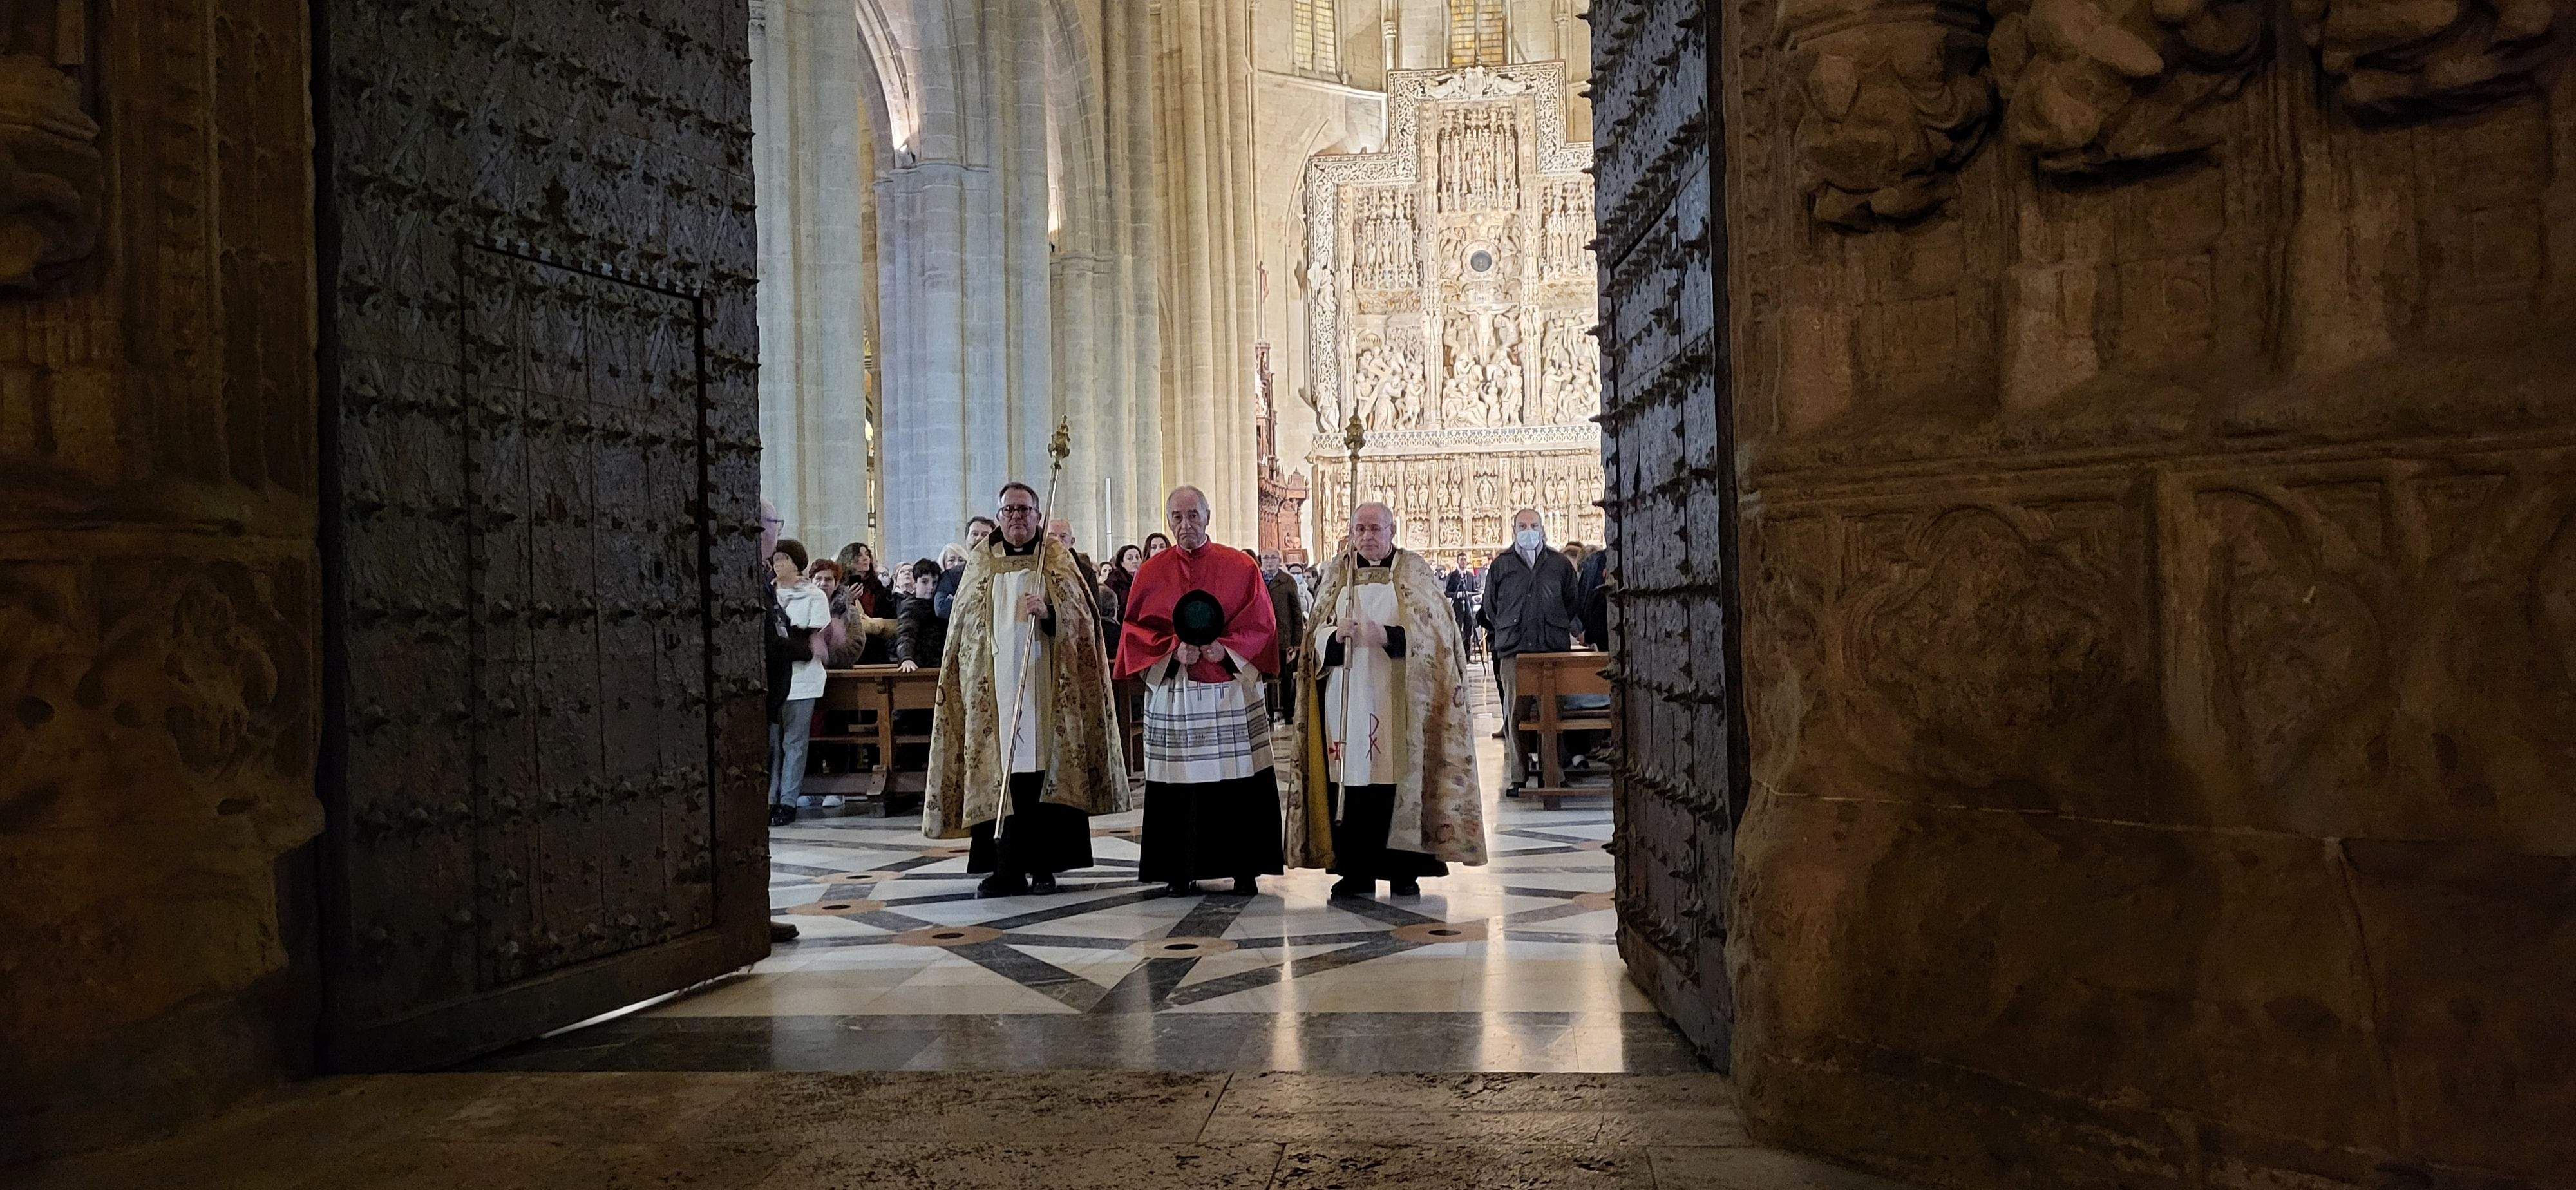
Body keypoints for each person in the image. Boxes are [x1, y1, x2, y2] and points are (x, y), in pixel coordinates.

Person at [923, 484, 1126, 898]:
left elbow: (1084, 624)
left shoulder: (1056, 559)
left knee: (1041, 776)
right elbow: (962, 630)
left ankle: (1046, 868)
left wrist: (1050, 613)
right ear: (998, 516)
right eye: (1009, 509)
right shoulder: (981, 562)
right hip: (993, 692)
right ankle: (1004, 870)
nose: (1017, 516)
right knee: (1002, 780)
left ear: (1038, 515)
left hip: (1047, 688)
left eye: (1025, 509)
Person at [1294, 503, 1486, 898]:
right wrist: (1333, 637)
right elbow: (1312, 638)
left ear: (1392, 531)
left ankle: (1404, 870)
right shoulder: (1336, 574)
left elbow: (1438, 638)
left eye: (1376, 528)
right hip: (1346, 697)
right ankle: (1355, 870)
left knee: (1397, 782)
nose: (1367, 536)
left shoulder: (1413, 572)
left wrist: (1389, 637)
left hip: (1399, 700)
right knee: (1352, 783)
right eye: (1360, 528)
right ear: (1349, 532)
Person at [1116, 486, 1284, 897]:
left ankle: (1244, 869)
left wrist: (1224, 649)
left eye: (1193, 515)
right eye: (1177, 517)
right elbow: (1134, 631)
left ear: (1208, 516)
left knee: (1237, 780)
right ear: (1168, 520)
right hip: (1178, 691)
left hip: (1229, 690)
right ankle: (1180, 868)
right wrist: (1173, 650)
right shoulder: (1152, 572)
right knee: (1180, 785)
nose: (1185, 525)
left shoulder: (1239, 566)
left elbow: (1263, 625)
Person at [1480, 508, 1582, 784]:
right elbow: (1490, 606)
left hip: (1551, 648)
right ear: (1514, 530)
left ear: (1542, 528)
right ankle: (1518, 775)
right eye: (1523, 526)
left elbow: (1572, 601)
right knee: (1516, 714)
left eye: (1533, 525)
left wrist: (1553, 621)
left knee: (1552, 714)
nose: (1529, 530)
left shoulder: (1559, 563)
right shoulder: (1502, 565)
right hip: (1515, 649)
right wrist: (1510, 624)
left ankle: (1553, 771)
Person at [767, 538, 831, 821]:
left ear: (797, 563)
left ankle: (788, 801)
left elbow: (813, 637)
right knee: (771, 743)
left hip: (802, 679)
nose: (778, 563)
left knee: (794, 742)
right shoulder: (767, 594)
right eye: (775, 558)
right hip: (772, 678)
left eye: (784, 559)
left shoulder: (813, 596)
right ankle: (769, 799)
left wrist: (792, 641)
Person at [1261, 551, 1305, 722]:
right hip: (1264, 639)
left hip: (1283, 637)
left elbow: (1296, 612)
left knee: (1286, 677)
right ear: (1261, 560)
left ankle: (1288, 712)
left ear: (1279, 560)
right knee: (1266, 678)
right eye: (1266, 558)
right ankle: (1268, 712)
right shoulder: (1257, 579)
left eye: (1273, 558)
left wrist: (1296, 641)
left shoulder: (1287, 581)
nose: (1270, 561)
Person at [934, 518, 995, 619]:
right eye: (974, 534)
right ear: (966, 539)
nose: (979, 538)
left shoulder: (1001, 571)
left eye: (985, 535)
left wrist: (959, 600)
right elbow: (941, 608)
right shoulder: (952, 575)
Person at [897, 558, 947, 671]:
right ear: (915, 583)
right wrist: (906, 658)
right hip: (920, 666)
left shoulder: (939, 605)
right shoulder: (911, 606)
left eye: (935, 583)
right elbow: (906, 634)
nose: (931, 587)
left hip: (939, 665)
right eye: (925, 582)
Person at [1445, 553, 1481, 662]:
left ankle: (1467, 655)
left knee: (1468, 630)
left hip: (1469, 607)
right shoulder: (1453, 576)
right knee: (1458, 630)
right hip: (1458, 607)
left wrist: (1475, 595)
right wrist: (1458, 594)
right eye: (1461, 560)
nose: (1463, 562)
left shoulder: (1470, 576)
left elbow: (1475, 590)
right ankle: (1458, 656)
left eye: (1465, 560)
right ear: (1458, 561)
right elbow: (1447, 592)